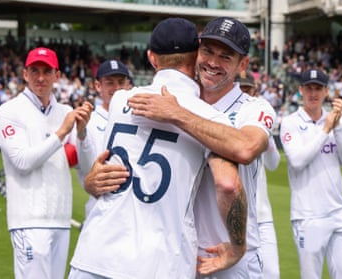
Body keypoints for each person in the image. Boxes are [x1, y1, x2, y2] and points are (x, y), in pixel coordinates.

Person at [68, 17, 247, 279]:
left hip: (95, 255)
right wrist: (238, 247)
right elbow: (228, 184)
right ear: (197, 56)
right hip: (161, 262)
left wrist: (89, 183)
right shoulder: (209, 118)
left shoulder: (119, 101)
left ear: (152, 58)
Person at [126, 17, 276, 278]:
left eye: (226, 56)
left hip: (231, 255)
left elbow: (247, 147)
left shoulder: (254, 108)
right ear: (196, 52)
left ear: (243, 64)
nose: (213, 62)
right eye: (207, 51)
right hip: (179, 252)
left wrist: (178, 114)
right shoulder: (176, 98)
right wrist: (94, 179)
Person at [0, 47, 93, 279]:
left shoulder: (66, 111)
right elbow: (22, 161)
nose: (40, 78)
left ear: (57, 76)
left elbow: (84, 166)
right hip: (28, 219)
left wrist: (82, 133)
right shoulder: (9, 111)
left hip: (60, 218)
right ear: (25, 74)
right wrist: (62, 132)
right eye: (35, 71)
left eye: (47, 72)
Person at [279, 68, 342, 279]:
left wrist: (338, 128)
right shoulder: (290, 123)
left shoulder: (338, 122)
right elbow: (297, 161)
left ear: (326, 91)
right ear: (300, 91)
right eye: (308, 88)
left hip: (341, 212)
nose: (313, 93)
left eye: (318, 88)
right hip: (309, 216)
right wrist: (325, 130)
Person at [238, 70, 281, 279]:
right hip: (235, 214)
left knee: (272, 273)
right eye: (241, 87)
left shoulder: (259, 117)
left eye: (248, 88)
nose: (245, 92)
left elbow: (274, 164)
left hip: (262, 216)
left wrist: (268, 137)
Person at [76, 59, 131, 218]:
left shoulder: (138, 117)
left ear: (128, 85)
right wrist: (81, 134)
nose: (116, 88)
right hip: (100, 208)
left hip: (132, 209)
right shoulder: (89, 120)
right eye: (110, 83)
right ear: (98, 86)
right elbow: (87, 169)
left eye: (121, 82)